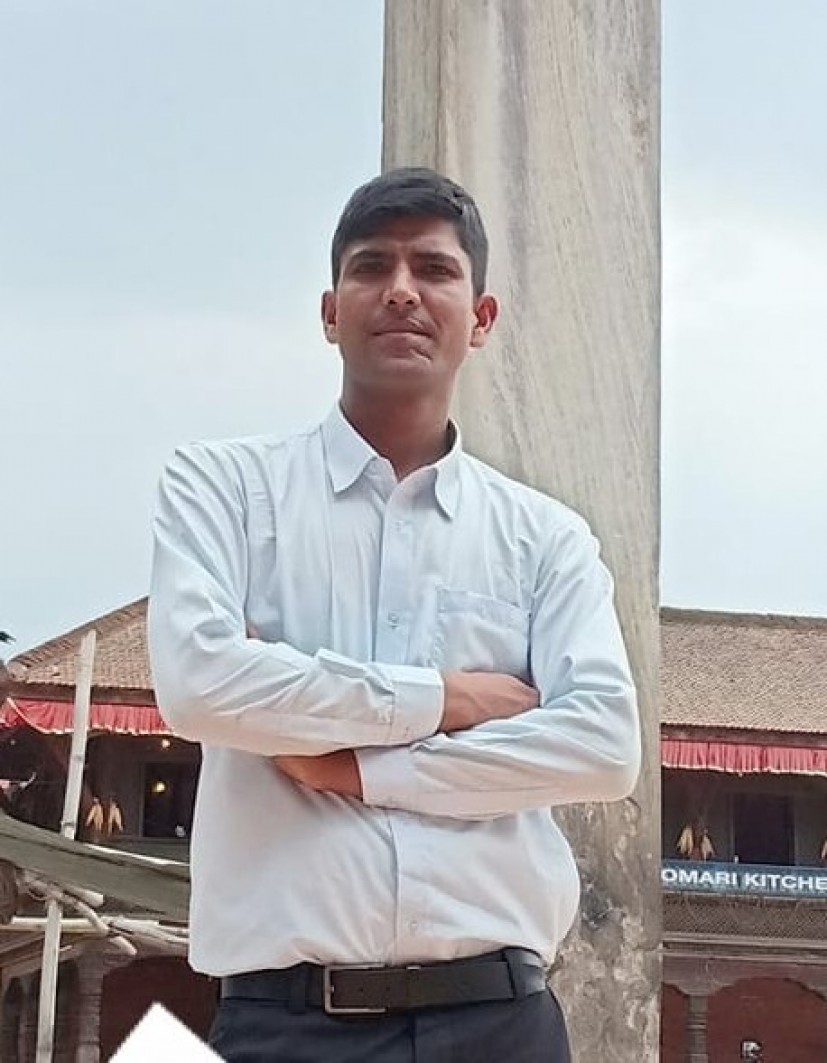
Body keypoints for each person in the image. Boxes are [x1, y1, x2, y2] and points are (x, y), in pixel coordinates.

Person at [148, 167, 640, 1063]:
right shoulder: (224, 490)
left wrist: (355, 767)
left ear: (480, 318)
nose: (402, 290)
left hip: (501, 1020)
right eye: (371, 266)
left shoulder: (544, 539)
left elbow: (603, 744)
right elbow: (201, 685)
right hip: (288, 1024)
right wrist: (448, 698)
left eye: (434, 269)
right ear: (329, 311)